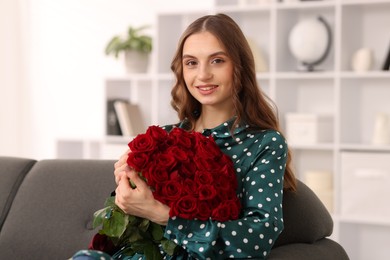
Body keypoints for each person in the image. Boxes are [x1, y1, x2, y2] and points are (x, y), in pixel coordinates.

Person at [73, 13, 296, 260]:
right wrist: (126, 188)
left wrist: (165, 216)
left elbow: (258, 236)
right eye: (191, 63)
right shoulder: (165, 136)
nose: (203, 75)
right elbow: (130, 227)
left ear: (239, 66)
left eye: (217, 61)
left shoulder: (263, 143)